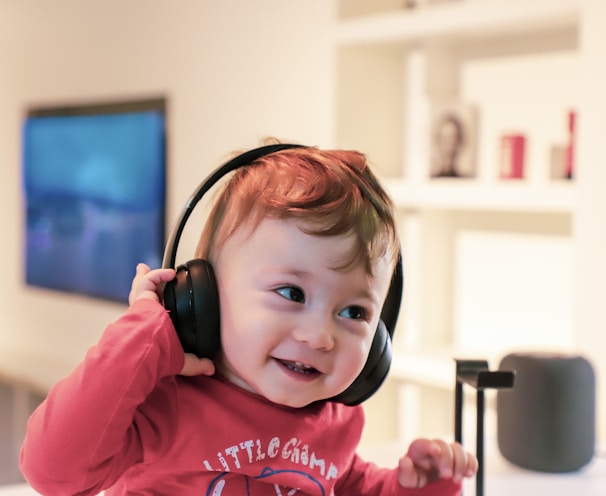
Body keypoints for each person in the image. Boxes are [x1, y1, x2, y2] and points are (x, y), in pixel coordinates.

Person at [20, 142, 477, 495]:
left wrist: (414, 484)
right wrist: (143, 337)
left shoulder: (334, 420)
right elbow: (52, 472)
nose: (320, 336)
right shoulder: (169, 406)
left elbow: (350, 482)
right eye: (291, 293)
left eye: (354, 311)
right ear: (202, 297)